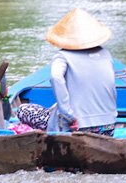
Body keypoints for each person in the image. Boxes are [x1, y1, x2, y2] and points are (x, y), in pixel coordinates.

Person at [15, 8, 118, 136]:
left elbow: (56, 77)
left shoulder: (63, 56)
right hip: (108, 127)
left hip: (77, 127)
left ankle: (48, 132)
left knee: (23, 110)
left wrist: (69, 116)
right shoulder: (105, 54)